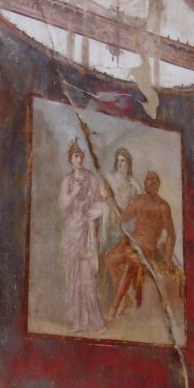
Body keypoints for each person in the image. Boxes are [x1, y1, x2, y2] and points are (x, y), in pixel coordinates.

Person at [104, 170, 176, 323]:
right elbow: (123, 216)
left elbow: (171, 234)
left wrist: (168, 258)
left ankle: (114, 306)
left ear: (157, 184)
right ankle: (126, 297)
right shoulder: (139, 200)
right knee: (109, 259)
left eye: (150, 180)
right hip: (130, 242)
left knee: (130, 265)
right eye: (145, 179)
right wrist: (112, 201)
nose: (146, 182)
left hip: (146, 249)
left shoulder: (163, 207)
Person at [59, 140, 106, 332]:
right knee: (73, 276)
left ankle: (95, 320)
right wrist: (74, 193)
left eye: (80, 156)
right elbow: (62, 205)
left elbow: (102, 202)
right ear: (70, 159)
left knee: (87, 275)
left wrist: (101, 207)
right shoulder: (67, 181)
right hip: (72, 231)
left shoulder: (93, 179)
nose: (78, 159)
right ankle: (77, 321)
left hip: (86, 230)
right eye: (74, 156)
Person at [100, 147, 141, 253]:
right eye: (118, 160)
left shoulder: (132, 183)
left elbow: (139, 205)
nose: (119, 163)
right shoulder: (110, 179)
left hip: (128, 222)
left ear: (128, 163)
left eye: (122, 160)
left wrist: (138, 187)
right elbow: (104, 198)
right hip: (113, 218)